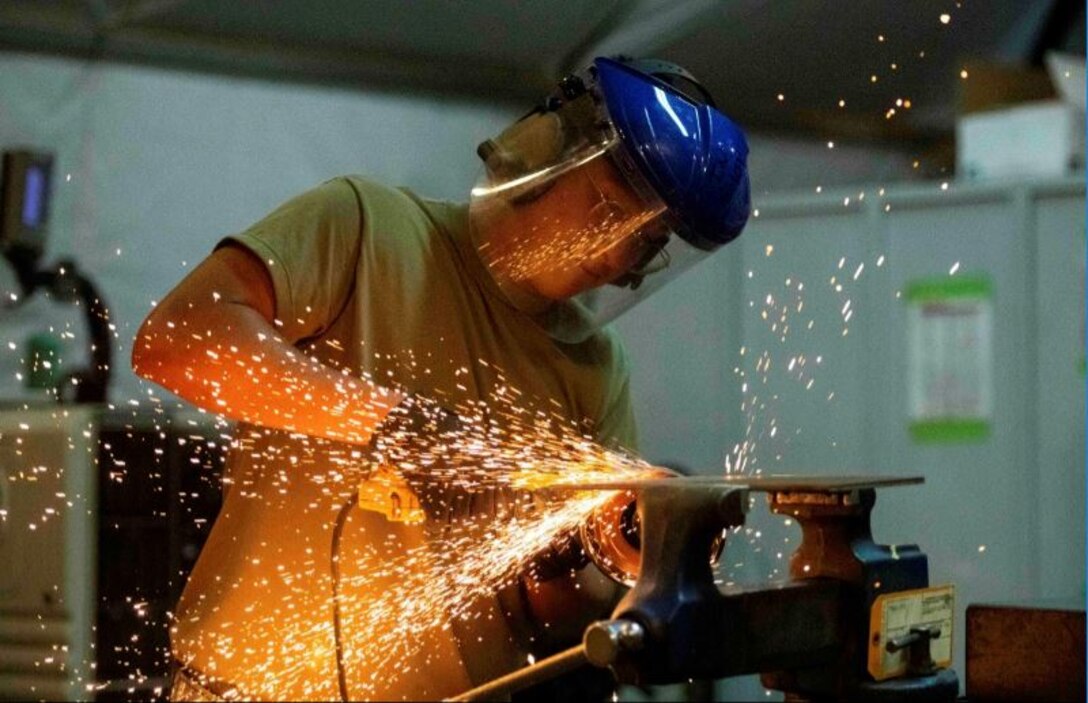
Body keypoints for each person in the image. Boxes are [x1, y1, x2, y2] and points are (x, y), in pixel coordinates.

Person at [132, 56, 750, 701]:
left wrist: (571, 553)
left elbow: (561, 620)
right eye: (609, 210)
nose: (618, 252)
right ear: (547, 153)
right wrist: (390, 423)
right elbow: (177, 340)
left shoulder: (598, 365)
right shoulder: (367, 227)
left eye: (647, 241)